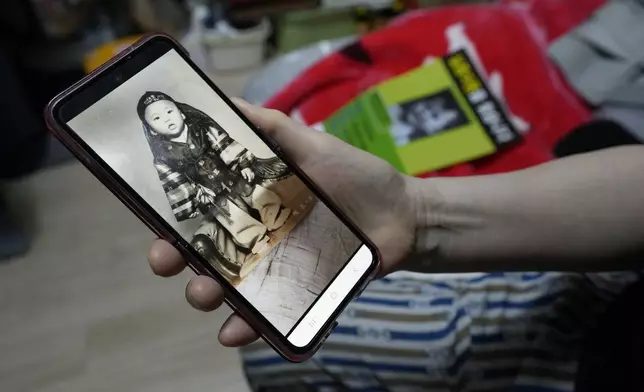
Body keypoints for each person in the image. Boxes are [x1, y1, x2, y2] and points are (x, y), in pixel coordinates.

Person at [147, 99, 644, 391]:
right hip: (603, 292)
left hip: (579, 357)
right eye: (158, 122)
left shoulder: (207, 127)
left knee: (272, 352)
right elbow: (186, 201)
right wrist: (416, 211)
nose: (168, 121)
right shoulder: (172, 159)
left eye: (170, 111)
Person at [138, 92, 292, 281]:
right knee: (232, 218)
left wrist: (243, 164)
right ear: (152, 130)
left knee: (256, 192)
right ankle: (255, 240)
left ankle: (276, 216)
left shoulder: (201, 128)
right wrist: (195, 196)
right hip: (209, 192)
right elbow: (174, 182)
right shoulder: (163, 158)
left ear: (182, 112)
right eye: (157, 118)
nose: (166, 118)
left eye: (169, 111)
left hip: (230, 174)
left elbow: (224, 144)